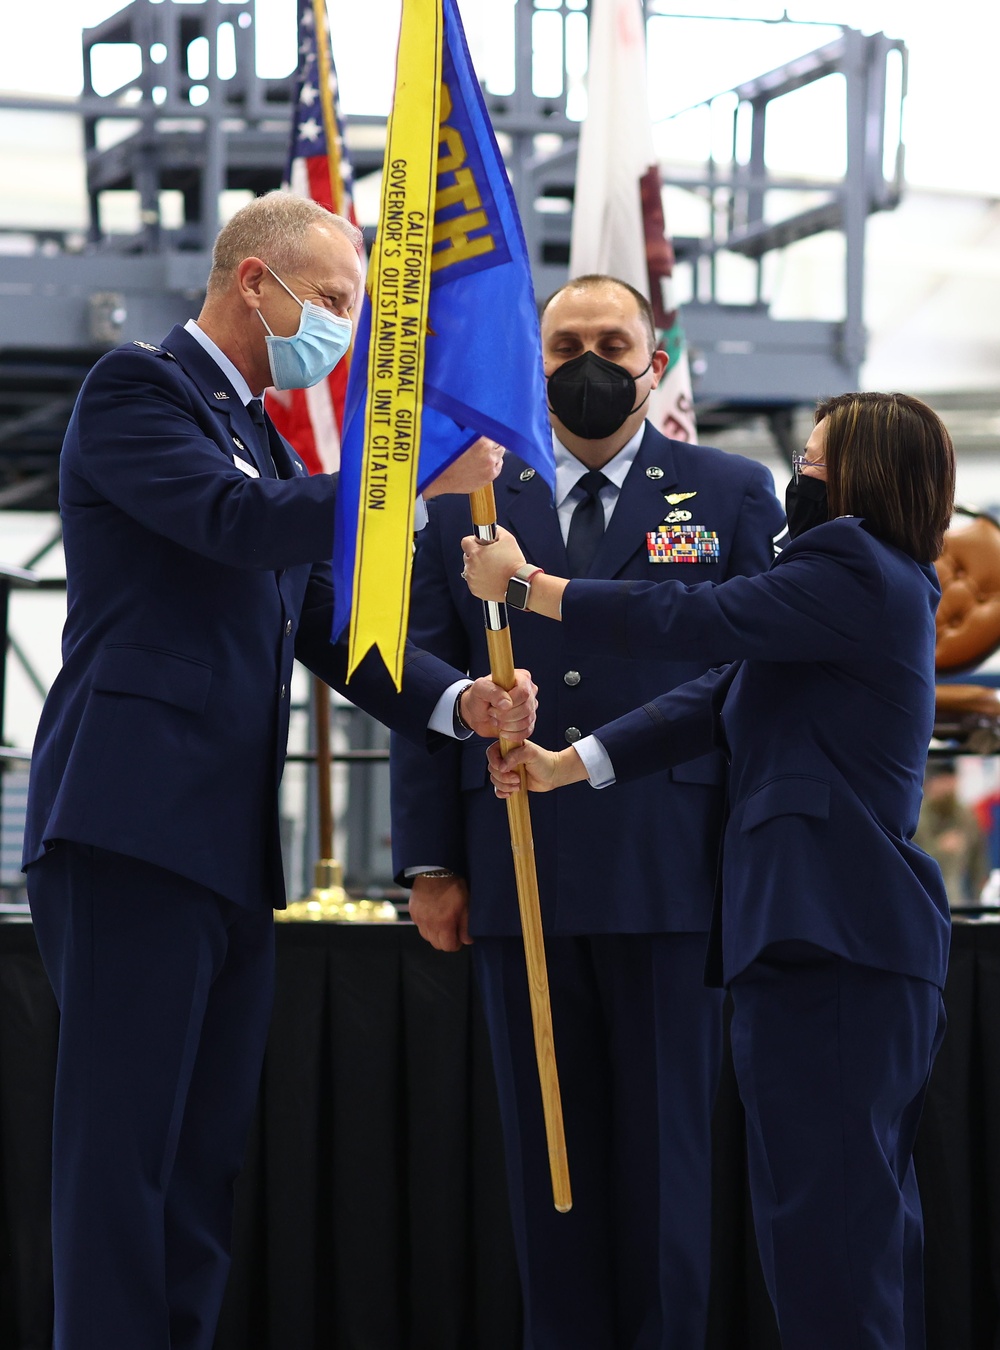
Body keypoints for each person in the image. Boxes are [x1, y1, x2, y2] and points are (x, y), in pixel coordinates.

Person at [20, 191, 536, 1350]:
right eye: (335, 299)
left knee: (202, 1161)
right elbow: (232, 525)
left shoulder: (258, 435)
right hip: (128, 824)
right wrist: (412, 480)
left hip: (222, 842)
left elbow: (330, 618)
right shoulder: (139, 391)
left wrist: (460, 701)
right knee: (123, 1161)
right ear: (254, 282)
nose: (343, 328)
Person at [465, 391, 955, 1350]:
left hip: (832, 939)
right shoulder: (864, 587)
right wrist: (576, 764)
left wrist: (530, 587)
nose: (799, 473)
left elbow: (697, 618)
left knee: (829, 1237)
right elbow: (723, 690)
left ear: (866, 477)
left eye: (815, 459)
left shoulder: (848, 563)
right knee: (850, 1229)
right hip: (842, 940)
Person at [390, 273, 783, 1348]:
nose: (588, 362)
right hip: (518, 861)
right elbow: (421, 679)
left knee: (665, 1167)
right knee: (546, 1163)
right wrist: (428, 860)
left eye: (613, 341)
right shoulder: (464, 502)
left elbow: (750, 668)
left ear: (655, 365)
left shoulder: (734, 491)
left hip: (672, 861)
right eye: (565, 345)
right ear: (533, 363)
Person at [914, 759, 990, 906]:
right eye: (942, 779)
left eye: (950, 779)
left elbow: (978, 857)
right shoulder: (917, 816)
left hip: (959, 895)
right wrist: (939, 847)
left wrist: (980, 894)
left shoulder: (966, 815)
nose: (947, 785)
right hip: (923, 893)